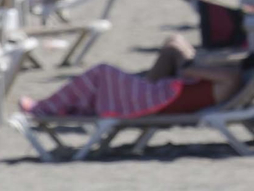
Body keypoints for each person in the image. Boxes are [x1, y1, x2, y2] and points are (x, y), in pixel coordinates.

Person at [18, 35, 253, 119]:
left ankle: (45, 107)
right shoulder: (233, 77)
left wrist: (201, 63)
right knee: (174, 42)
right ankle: (64, 104)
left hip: (158, 101)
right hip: (160, 92)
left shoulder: (230, 79)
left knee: (102, 72)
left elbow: (188, 70)